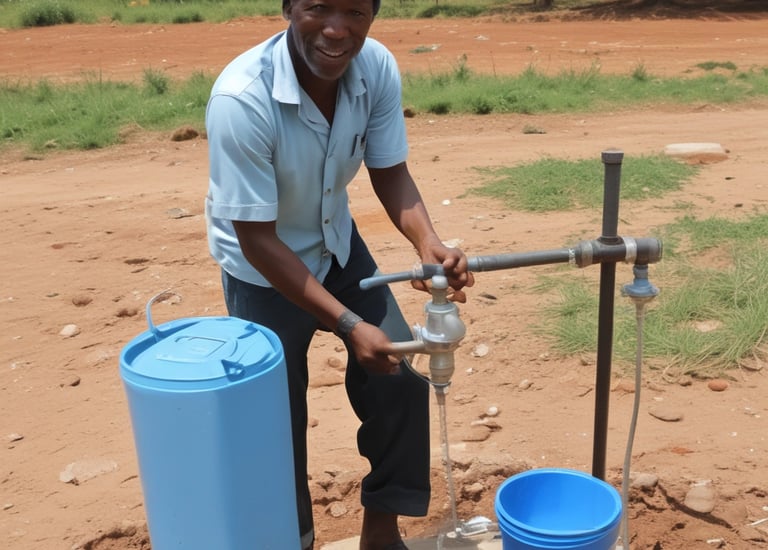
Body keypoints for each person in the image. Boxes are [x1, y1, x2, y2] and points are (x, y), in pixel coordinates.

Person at [204, 0, 474, 548]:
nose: (336, 29)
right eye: (318, 8)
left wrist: (428, 243)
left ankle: (381, 531)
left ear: (373, 14)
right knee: (276, 417)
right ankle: (294, 537)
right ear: (287, 8)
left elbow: (389, 169)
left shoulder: (375, 68)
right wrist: (350, 325)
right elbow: (257, 238)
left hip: (336, 245)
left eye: (354, 10)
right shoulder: (241, 100)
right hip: (265, 269)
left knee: (401, 376)